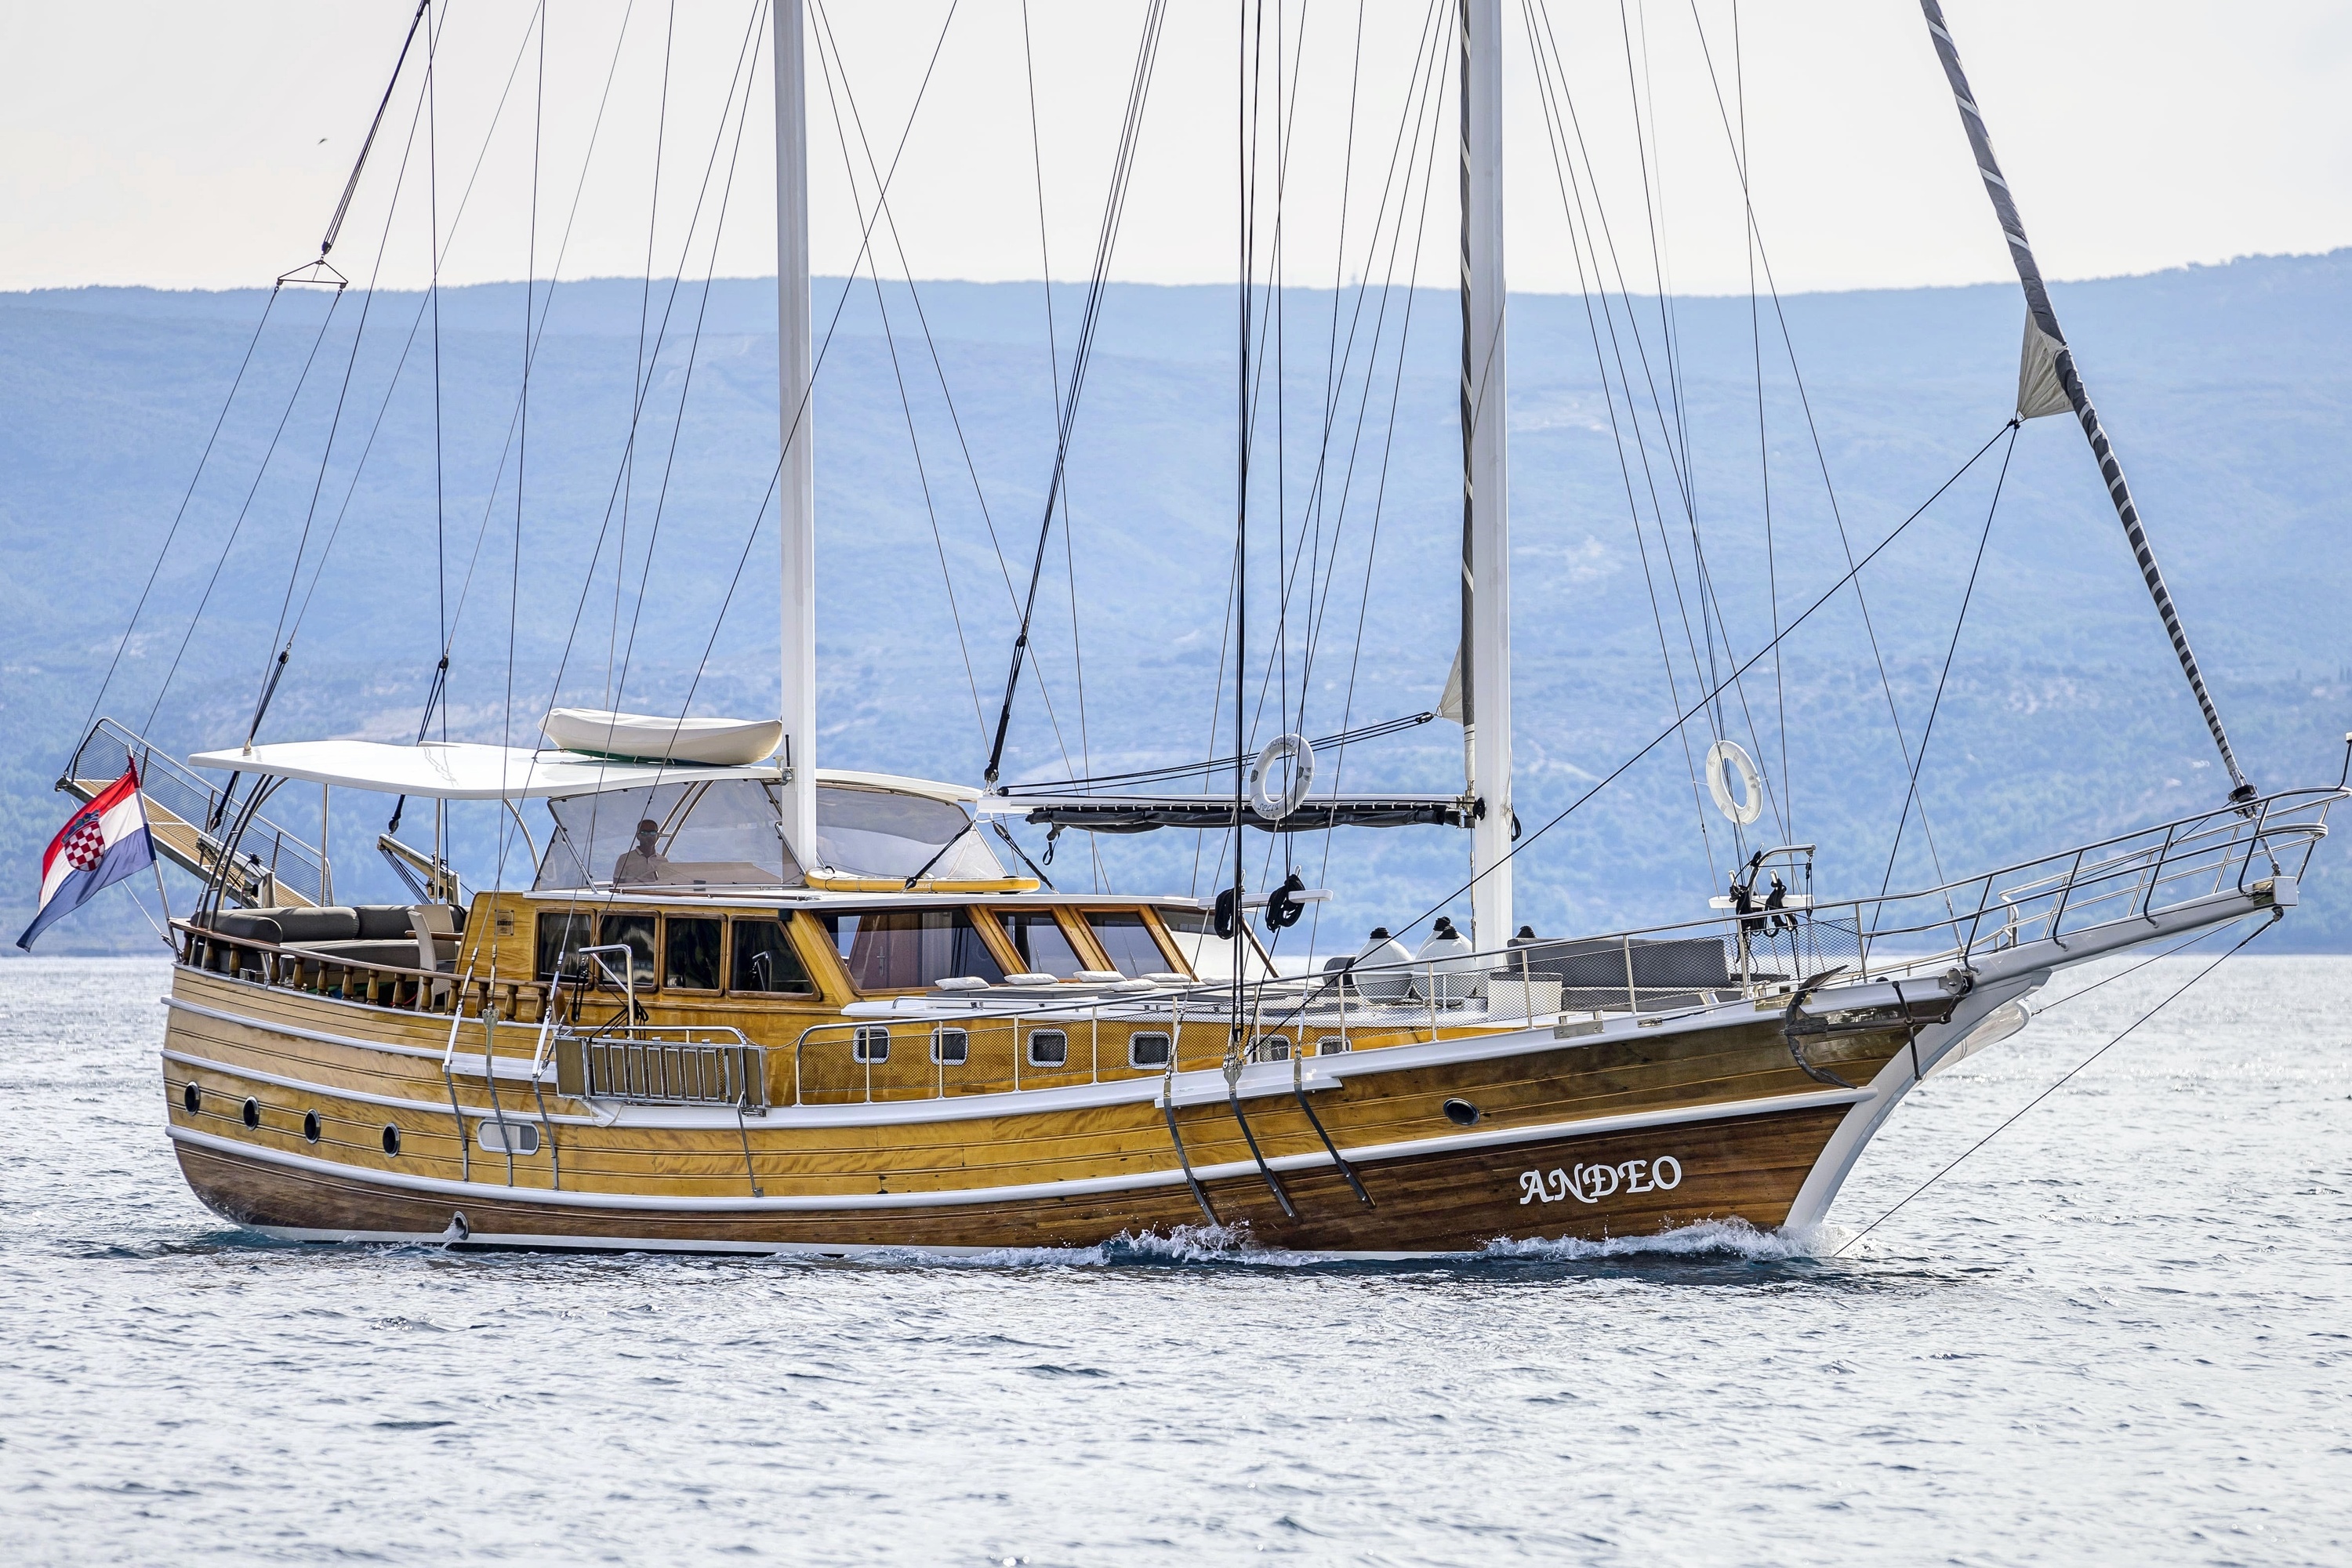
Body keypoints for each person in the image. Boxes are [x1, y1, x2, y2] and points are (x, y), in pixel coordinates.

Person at [612, 818, 673, 885]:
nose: (649, 836)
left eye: (653, 833)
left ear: (657, 836)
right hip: (631, 892)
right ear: (638, 836)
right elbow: (617, 886)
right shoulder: (624, 859)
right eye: (644, 833)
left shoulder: (663, 862)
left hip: (656, 892)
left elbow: (667, 885)